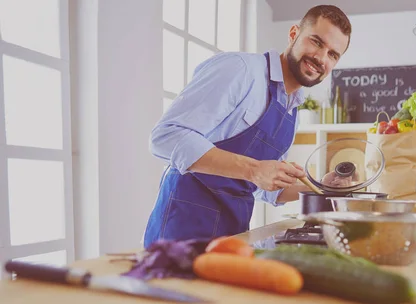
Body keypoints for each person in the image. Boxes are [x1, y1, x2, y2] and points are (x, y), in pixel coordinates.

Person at [143, 5, 352, 248]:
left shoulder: (292, 108)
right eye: (316, 42)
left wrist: (321, 188)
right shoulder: (240, 70)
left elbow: (267, 189)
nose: (320, 58)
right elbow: (165, 136)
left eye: (333, 54)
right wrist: (254, 169)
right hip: (181, 230)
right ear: (294, 33)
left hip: (233, 236)